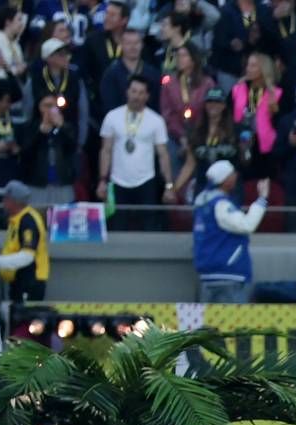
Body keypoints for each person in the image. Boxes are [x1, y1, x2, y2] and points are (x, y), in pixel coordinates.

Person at [189, 161, 269, 302]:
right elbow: (247, 225)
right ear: (225, 180)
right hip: (229, 274)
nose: (236, 176)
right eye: (232, 173)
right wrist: (262, 200)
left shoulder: (202, 204)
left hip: (207, 274)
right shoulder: (221, 204)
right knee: (232, 317)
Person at [98, 74, 176, 215]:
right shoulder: (112, 117)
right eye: (133, 91)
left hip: (146, 181)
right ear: (127, 92)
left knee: (148, 226)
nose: (136, 96)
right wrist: (103, 180)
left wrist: (169, 185)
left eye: (141, 93)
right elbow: (105, 150)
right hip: (117, 181)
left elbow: (163, 155)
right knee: (118, 226)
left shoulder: (156, 120)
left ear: (147, 96)